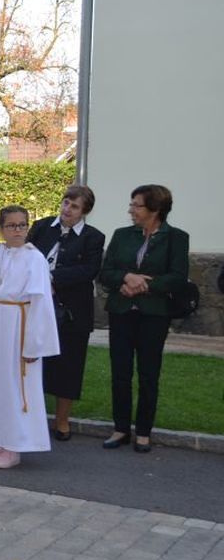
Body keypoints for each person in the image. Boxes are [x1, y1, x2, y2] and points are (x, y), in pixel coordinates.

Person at [0, 206, 60, 469]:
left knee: (15, 387)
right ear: (1, 229)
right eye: (11, 226)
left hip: (19, 326)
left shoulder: (35, 259)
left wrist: (34, 344)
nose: (17, 230)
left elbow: (41, 303)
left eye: (22, 225)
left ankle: (14, 444)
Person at [99, 184, 189, 453]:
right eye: (132, 204)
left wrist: (144, 286)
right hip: (121, 311)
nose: (131, 210)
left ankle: (143, 432)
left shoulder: (176, 238)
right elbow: (106, 272)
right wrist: (126, 278)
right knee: (120, 373)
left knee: (149, 374)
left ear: (155, 209)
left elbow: (177, 277)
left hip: (154, 315)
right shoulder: (122, 235)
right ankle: (120, 428)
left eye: (136, 205)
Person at [26, 185, 105, 441]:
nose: (67, 209)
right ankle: (32, 416)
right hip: (37, 307)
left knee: (69, 365)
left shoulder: (93, 237)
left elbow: (89, 270)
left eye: (74, 206)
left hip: (72, 311)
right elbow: (25, 255)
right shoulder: (42, 227)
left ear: (85, 211)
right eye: (65, 203)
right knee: (34, 362)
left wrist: (52, 278)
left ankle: (62, 420)